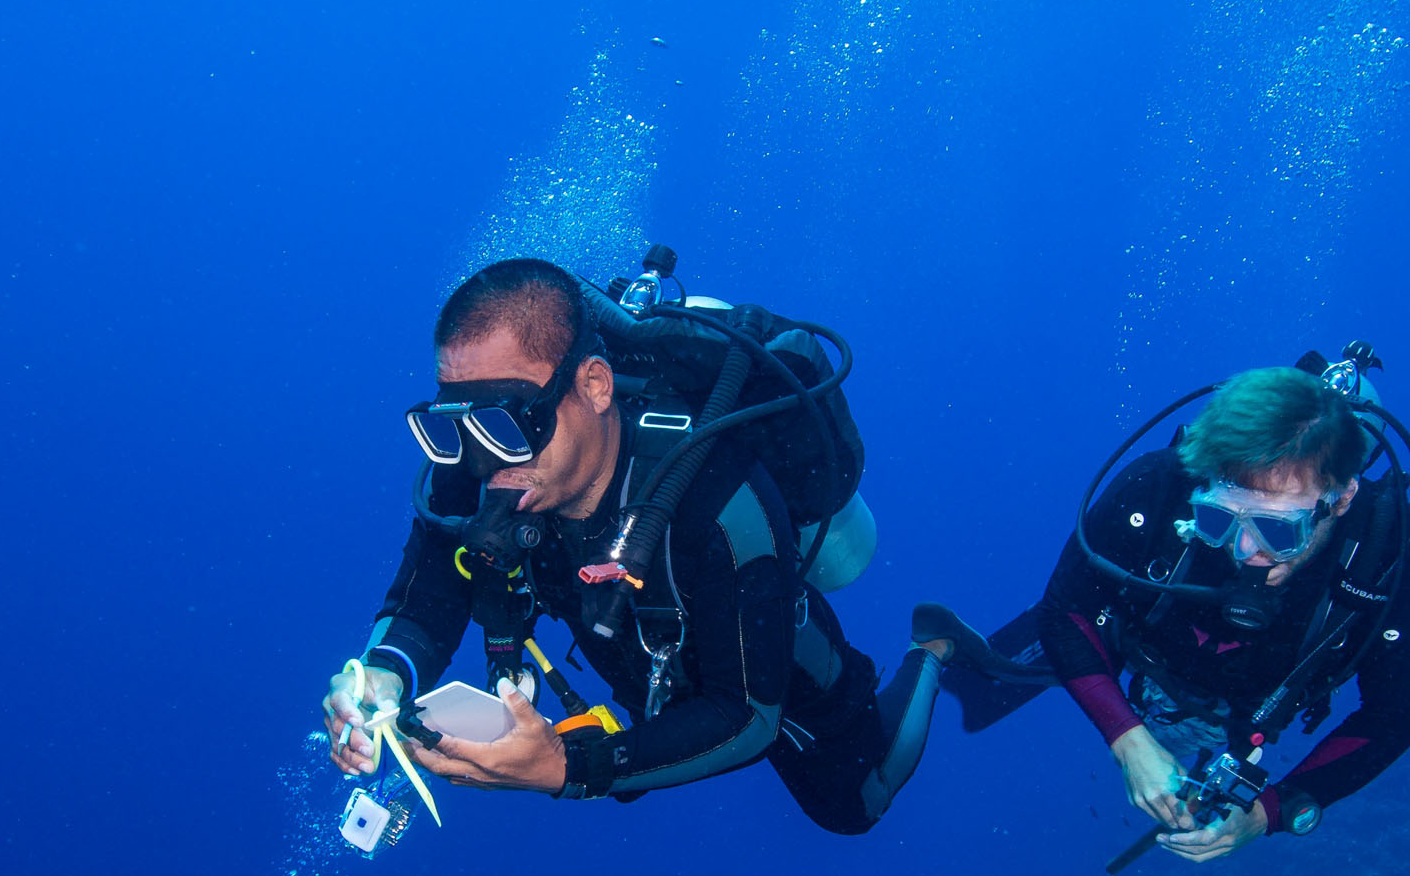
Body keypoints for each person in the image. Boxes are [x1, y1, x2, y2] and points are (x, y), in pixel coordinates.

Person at [323, 256, 990, 835]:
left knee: (854, 804)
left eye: (509, 423)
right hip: (643, 661)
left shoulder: (722, 496)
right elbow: (426, 599)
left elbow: (747, 716)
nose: (483, 461)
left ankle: (932, 647)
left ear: (593, 385)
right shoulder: (473, 468)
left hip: (764, 652)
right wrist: (380, 674)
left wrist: (570, 768)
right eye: (453, 429)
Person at [962, 361, 1410, 864]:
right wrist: (1127, 739)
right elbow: (1066, 610)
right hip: (1145, 652)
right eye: (1218, 518)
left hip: (1254, 704)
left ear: (1341, 497)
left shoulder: (1396, 575)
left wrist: (1268, 812)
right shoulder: (1155, 487)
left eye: (1277, 530)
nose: (1243, 550)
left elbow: (1392, 719)